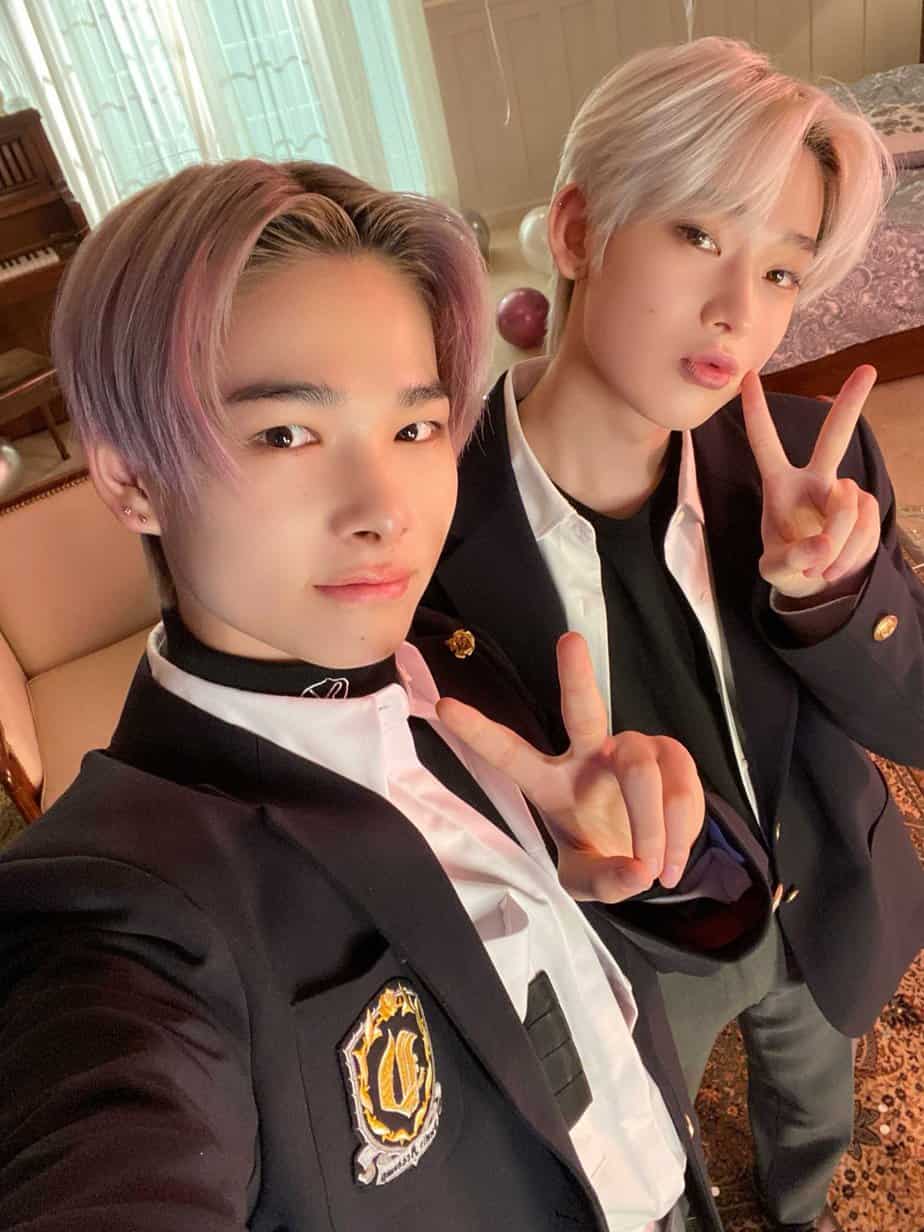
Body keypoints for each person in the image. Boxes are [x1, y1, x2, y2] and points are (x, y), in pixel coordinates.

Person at [0, 158, 731, 1231]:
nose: (384, 510)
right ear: (132, 477)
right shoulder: (120, 916)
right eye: (285, 434)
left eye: (414, 428)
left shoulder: (451, 659)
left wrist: (598, 862)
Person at [425, 36, 924, 1232]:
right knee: (647, 1153)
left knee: (814, 1102)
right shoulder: (426, 524)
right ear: (578, 230)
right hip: (627, 949)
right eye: (699, 234)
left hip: (819, 893)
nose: (740, 313)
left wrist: (834, 598)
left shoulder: (811, 468)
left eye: (782, 269)